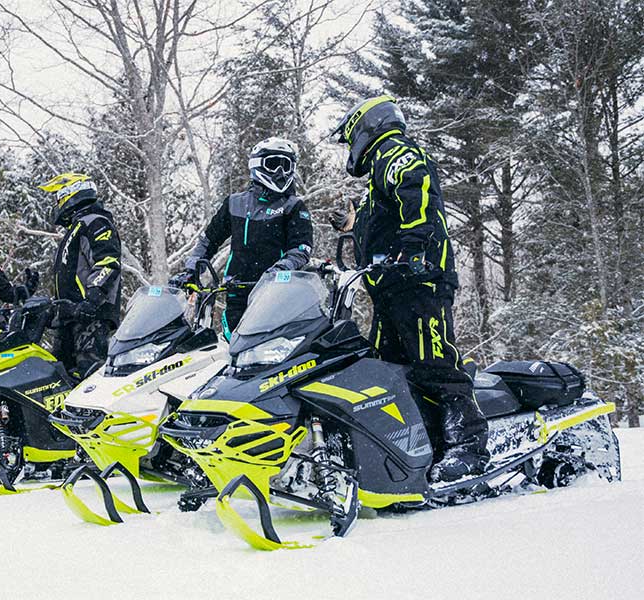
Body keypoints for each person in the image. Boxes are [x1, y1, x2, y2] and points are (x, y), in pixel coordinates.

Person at [331, 95, 489, 483]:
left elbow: (415, 191)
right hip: (391, 287)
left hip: (419, 281)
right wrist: (353, 226)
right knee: (388, 370)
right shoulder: (377, 175)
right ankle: (422, 443)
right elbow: (386, 220)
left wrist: (414, 248)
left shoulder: (396, 153)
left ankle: (468, 444)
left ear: (366, 128)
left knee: (434, 360)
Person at [170, 137, 314, 340]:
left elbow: (301, 248)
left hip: (276, 292)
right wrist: (192, 269)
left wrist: (282, 268)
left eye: (286, 166)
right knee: (233, 347)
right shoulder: (234, 203)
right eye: (273, 165)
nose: (280, 172)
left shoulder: (293, 206)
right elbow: (208, 240)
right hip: (236, 291)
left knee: (266, 349)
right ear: (257, 165)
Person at [38, 173, 121, 380]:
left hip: (91, 314)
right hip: (69, 316)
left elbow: (108, 261)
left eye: (58, 197)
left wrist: (93, 297)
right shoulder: (76, 228)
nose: (57, 204)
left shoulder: (95, 222)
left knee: (90, 376)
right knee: (58, 379)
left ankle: (98, 411)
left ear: (70, 193)